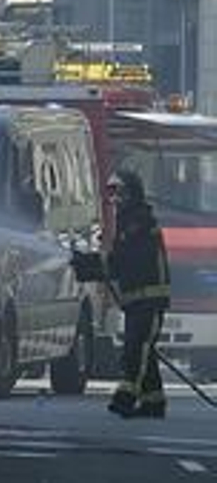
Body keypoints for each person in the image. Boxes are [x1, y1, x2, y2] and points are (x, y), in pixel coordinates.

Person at [105, 168, 171, 419]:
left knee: (136, 348)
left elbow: (128, 260)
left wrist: (101, 265)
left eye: (118, 192)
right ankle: (154, 402)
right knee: (145, 350)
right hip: (136, 300)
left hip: (149, 300)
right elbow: (119, 261)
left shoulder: (139, 221)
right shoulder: (129, 220)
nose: (114, 199)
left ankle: (126, 396)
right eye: (111, 193)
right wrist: (91, 264)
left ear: (132, 192)